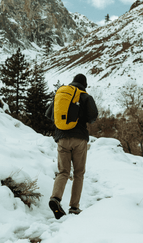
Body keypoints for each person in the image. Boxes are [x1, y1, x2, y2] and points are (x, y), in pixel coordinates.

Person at [45, 73, 98, 219]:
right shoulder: (85, 96)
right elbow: (93, 116)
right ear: (84, 85)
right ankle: (74, 207)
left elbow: (49, 114)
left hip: (61, 138)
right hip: (79, 139)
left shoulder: (63, 94)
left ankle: (55, 198)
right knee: (79, 173)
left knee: (63, 172)